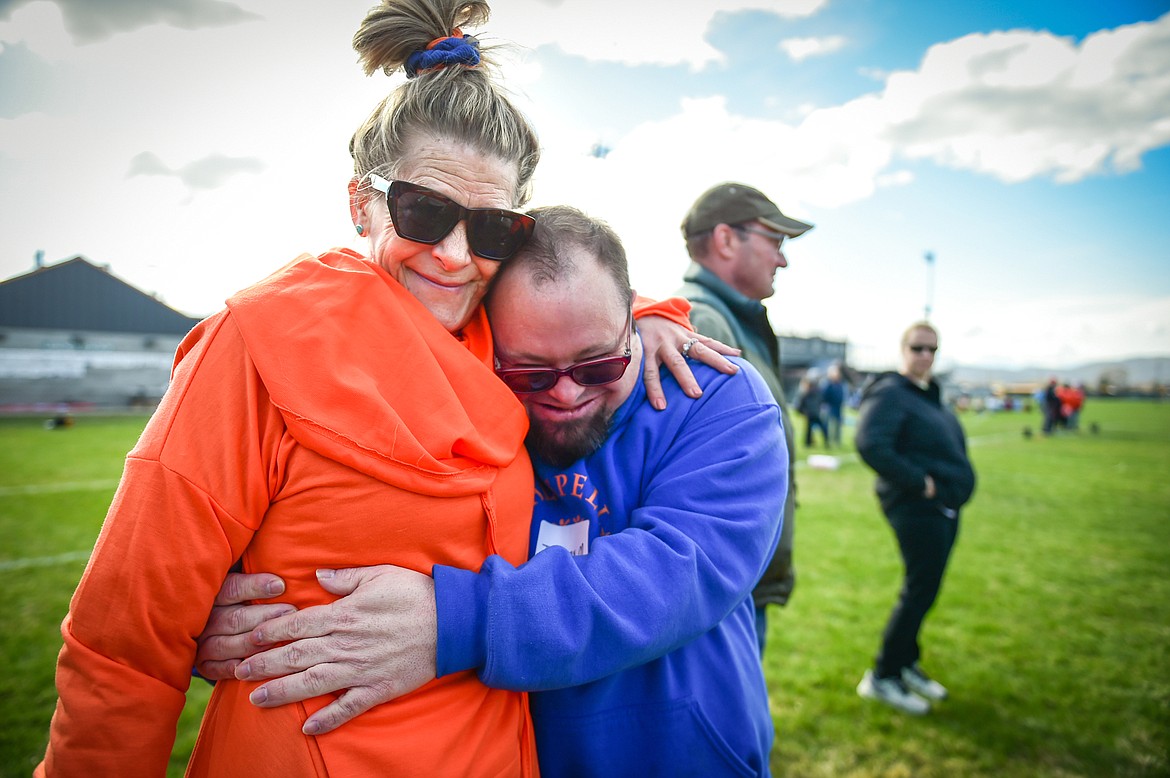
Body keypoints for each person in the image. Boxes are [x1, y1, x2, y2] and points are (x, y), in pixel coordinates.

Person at [34, 3, 723, 775]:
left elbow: (578, 300)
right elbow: (125, 635)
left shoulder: (495, 337)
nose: (456, 258)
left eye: (493, 229)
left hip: (493, 752)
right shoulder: (259, 344)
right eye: (424, 213)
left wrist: (653, 315)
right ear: (361, 202)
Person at [196, 206, 788, 777]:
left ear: (633, 325)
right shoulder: (463, 395)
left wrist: (452, 620)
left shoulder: (717, 396)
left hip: (681, 754)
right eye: (530, 372)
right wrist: (244, 613)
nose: (564, 394)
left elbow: (674, 575)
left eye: (598, 366)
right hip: (510, 753)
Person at [674, 181, 812, 653]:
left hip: (735, 582)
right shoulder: (703, 324)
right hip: (726, 591)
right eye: (775, 240)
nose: (783, 259)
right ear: (727, 239)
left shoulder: (722, 320)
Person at [854, 321, 977, 715]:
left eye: (932, 350)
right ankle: (883, 676)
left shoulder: (929, 395)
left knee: (926, 589)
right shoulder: (891, 393)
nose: (925, 356)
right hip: (916, 508)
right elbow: (870, 443)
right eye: (918, 348)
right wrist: (920, 483)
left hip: (944, 506)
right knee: (918, 589)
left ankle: (906, 664)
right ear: (903, 349)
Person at [795, 373, 828, 448]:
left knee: (814, 429)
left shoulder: (810, 393)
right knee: (812, 430)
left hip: (813, 413)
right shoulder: (811, 393)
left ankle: (810, 442)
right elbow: (800, 406)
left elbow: (800, 405)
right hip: (813, 413)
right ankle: (810, 442)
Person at [822, 363, 846, 447]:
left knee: (838, 425)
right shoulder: (828, 384)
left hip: (838, 407)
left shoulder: (840, 384)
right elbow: (824, 395)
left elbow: (841, 395)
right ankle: (829, 441)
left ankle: (837, 441)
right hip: (829, 406)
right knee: (830, 425)